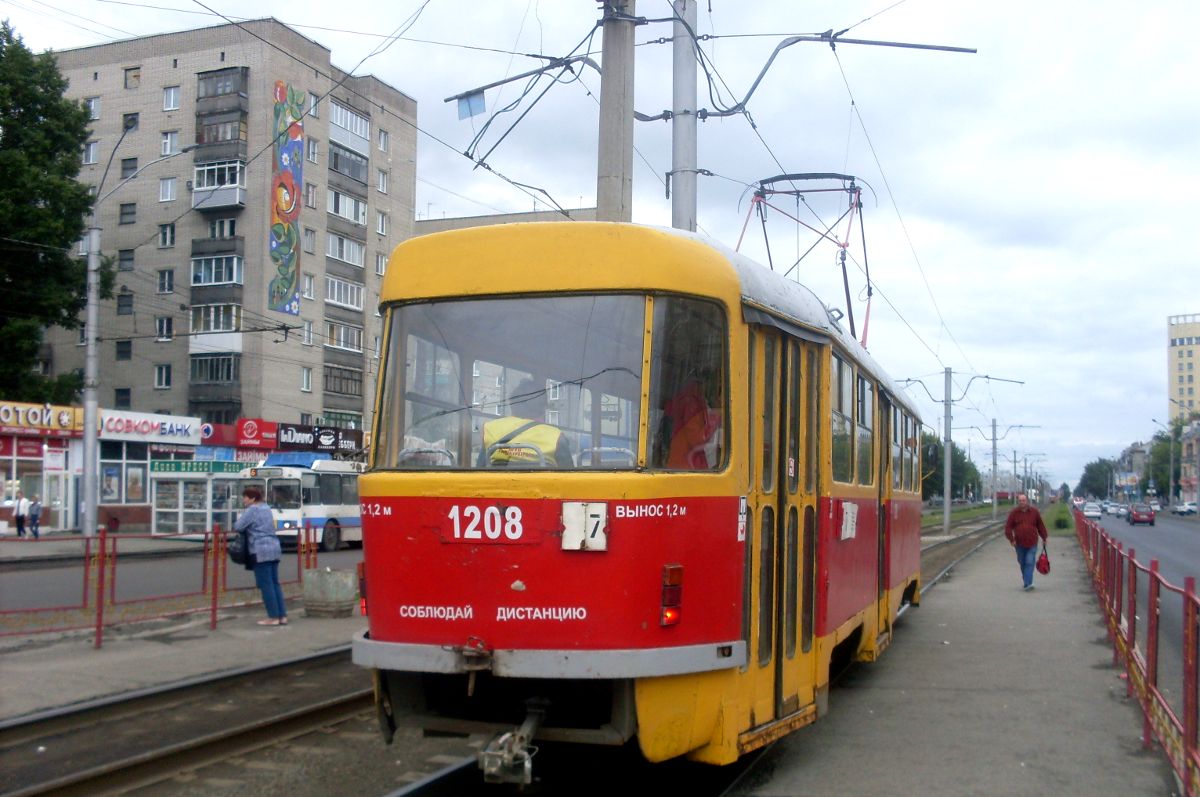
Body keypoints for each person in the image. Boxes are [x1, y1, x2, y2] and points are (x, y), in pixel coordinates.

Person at [479, 378, 573, 467]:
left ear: (513, 405)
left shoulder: (491, 429)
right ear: (542, 408)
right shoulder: (556, 437)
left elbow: (479, 468)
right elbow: (571, 477)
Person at [234, 486, 288, 626]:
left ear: (252, 498)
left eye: (245, 497)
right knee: (275, 583)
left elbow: (238, 526)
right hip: (274, 548)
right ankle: (282, 616)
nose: (244, 500)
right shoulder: (266, 508)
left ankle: (273, 617)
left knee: (266, 585)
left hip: (260, 549)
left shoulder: (253, 510)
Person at [1004, 493, 1048, 591]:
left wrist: (1044, 538)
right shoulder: (1014, 513)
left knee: (1029, 561)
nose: (1022, 502)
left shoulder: (1034, 512)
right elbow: (1008, 528)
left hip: (1032, 542)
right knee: (1022, 562)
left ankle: (1028, 584)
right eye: (1020, 501)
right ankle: (1027, 581)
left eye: (1023, 500)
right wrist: (1011, 539)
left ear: (1027, 501)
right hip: (1019, 543)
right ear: (1018, 502)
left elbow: (1040, 525)